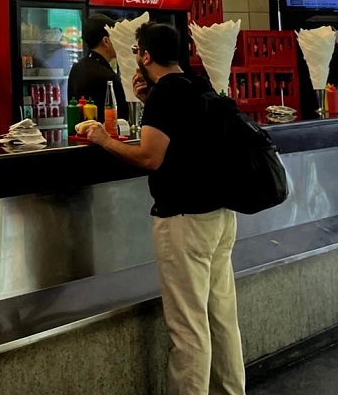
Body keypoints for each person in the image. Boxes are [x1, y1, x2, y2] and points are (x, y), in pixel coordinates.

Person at [86, 22, 246, 395]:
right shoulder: (198, 86)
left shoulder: (166, 96)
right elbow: (185, 136)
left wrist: (104, 139)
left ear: (145, 56)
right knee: (222, 319)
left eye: (135, 52)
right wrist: (148, 101)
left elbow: (149, 157)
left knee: (189, 329)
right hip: (221, 217)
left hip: (184, 222)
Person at [67, 13, 127, 117]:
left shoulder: (77, 68)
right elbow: (122, 119)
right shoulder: (108, 78)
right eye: (116, 37)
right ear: (106, 41)